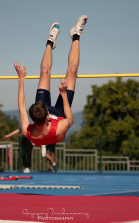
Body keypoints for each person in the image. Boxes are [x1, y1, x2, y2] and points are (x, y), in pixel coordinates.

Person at [15, 15, 88, 147]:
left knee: (44, 71)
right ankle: (76, 35)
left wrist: (21, 80)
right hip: (61, 113)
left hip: (41, 114)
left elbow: (21, 105)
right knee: (72, 70)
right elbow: (70, 119)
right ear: (48, 116)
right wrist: (63, 94)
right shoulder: (61, 127)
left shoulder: (28, 131)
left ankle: (50, 42)